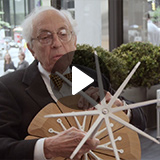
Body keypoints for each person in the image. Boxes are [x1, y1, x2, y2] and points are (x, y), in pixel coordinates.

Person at [0, 6, 146, 160]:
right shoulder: (8, 88)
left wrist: (120, 108)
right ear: (31, 49)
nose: (57, 43)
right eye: (45, 37)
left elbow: (140, 121)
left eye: (63, 34)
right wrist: (46, 148)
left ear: (74, 42)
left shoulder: (92, 77)